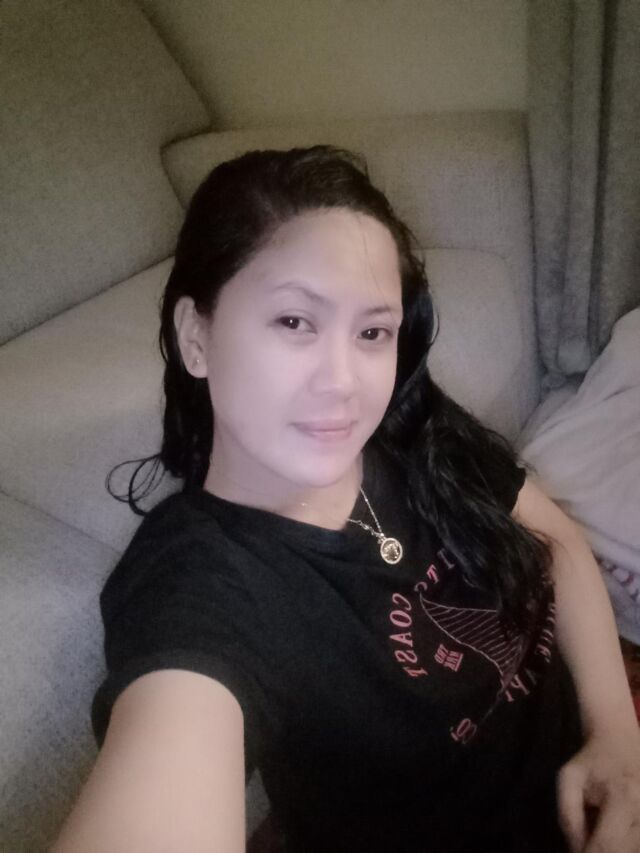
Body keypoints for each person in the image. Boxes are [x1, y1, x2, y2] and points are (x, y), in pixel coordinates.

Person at [53, 145, 640, 853]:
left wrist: (615, 734)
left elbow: (557, 541)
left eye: (371, 332)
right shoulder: (200, 586)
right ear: (196, 337)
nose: (343, 383)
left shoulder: (412, 427)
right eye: (294, 322)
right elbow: (172, 741)